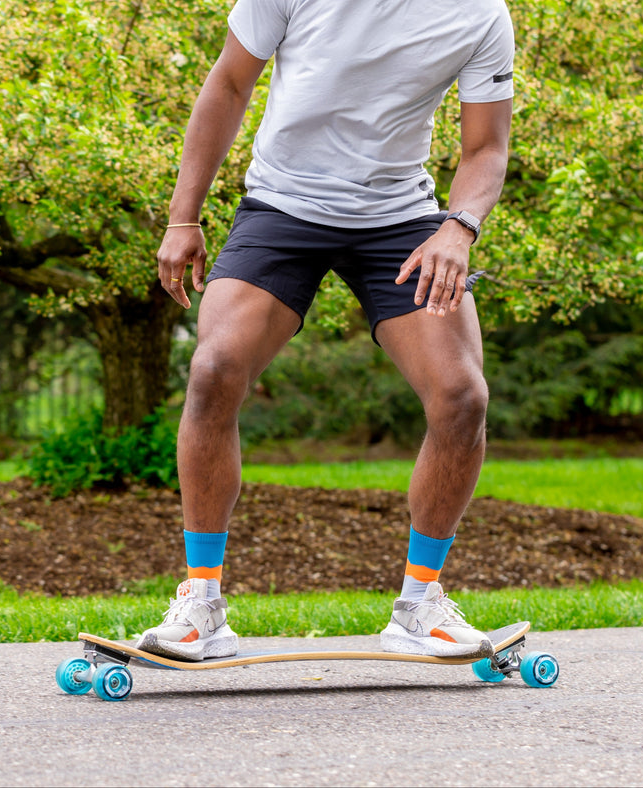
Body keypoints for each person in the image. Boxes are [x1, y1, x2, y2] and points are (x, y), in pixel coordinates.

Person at [141, 0, 515, 661]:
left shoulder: (481, 13)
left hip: (400, 218)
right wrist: (183, 216)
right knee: (213, 369)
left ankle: (420, 604)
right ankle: (201, 603)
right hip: (284, 207)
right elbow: (229, 82)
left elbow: (485, 146)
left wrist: (458, 227)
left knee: (463, 397)